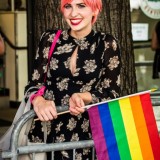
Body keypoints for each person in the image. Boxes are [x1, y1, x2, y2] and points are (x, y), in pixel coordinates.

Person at [25, 0, 121, 159]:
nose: (73, 13)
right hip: (44, 135)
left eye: (81, 5)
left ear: (95, 10)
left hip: (86, 137)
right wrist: (38, 100)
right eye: (68, 6)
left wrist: (84, 96)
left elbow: (112, 93)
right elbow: (33, 85)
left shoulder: (106, 44)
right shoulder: (49, 39)